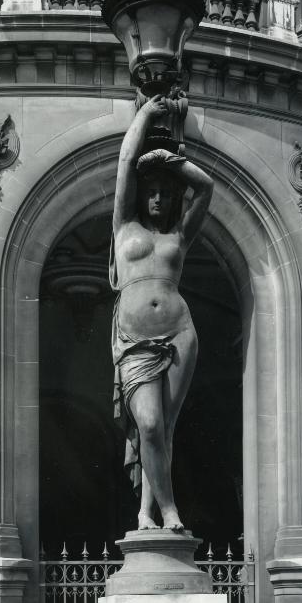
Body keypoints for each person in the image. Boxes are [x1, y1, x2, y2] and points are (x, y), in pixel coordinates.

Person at [110, 94, 213, 531]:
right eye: (150, 192)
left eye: (163, 194)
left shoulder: (179, 236)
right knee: (148, 424)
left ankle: (148, 515)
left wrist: (173, 164)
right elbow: (124, 163)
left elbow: (206, 187)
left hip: (179, 333)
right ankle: (167, 511)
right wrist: (148, 115)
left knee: (164, 428)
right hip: (134, 339)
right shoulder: (124, 226)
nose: (155, 199)